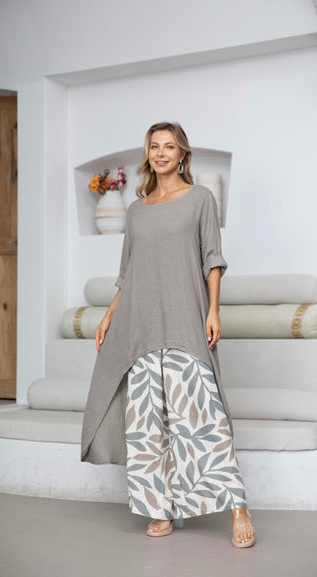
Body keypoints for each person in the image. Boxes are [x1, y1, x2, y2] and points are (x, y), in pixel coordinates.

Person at [81, 121, 256, 548]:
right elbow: (128, 272)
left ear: (182, 155)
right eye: (154, 146)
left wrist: (213, 310)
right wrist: (108, 316)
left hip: (183, 318)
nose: (161, 153)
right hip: (139, 323)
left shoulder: (200, 199)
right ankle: (158, 508)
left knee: (203, 417)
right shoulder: (137, 209)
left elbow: (212, 259)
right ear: (149, 154)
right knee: (146, 423)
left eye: (169, 146)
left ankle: (237, 507)